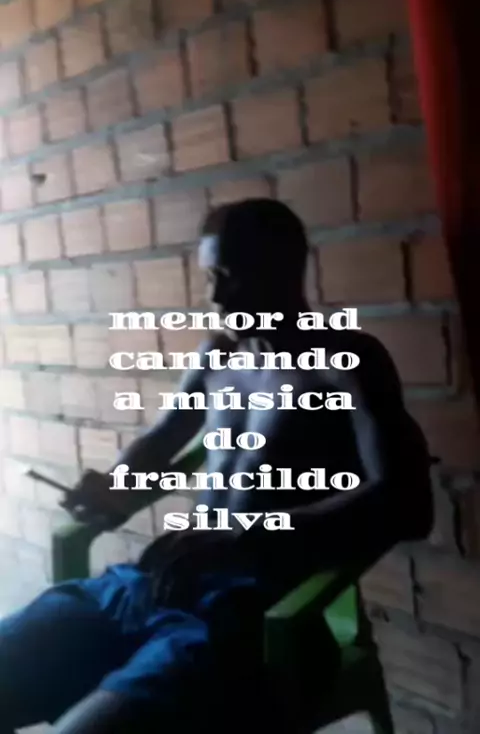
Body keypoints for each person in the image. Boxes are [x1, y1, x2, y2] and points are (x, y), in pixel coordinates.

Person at [0, 199, 433, 734]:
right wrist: (114, 486)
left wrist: (246, 536)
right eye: (211, 277)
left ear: (285, 270)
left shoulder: (347, 363)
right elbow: (161, 440)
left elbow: (409, 505)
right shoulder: (218, 357)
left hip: (250, 611)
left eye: (231, 277)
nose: (217, 297)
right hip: (152, 583)